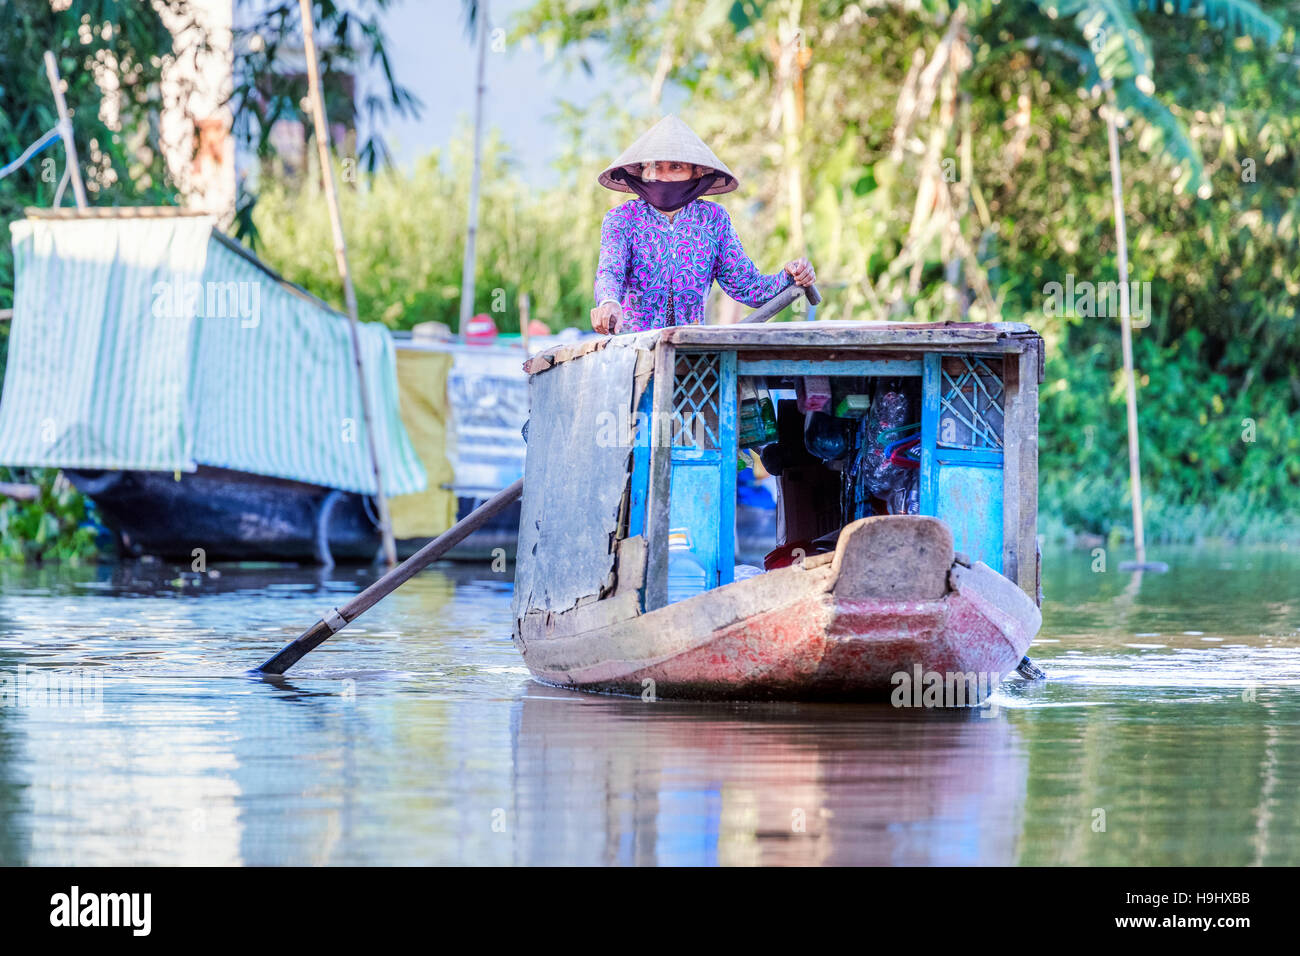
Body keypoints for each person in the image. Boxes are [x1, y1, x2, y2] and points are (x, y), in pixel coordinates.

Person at [591, 115, 815, 334]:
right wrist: (609, 302)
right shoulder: (622, 218)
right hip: (635, 353)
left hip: (693, 356)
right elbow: (610, 271)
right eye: (655, 166)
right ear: (642, 171)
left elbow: (749, 287)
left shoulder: (713, 219)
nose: (664, 176)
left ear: (696, 172)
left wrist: (791, 275)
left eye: (675, 167)